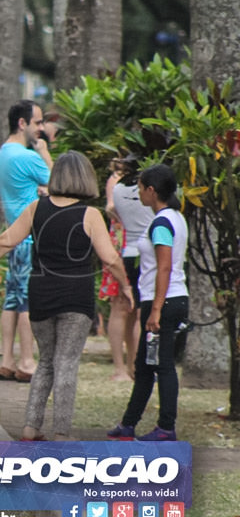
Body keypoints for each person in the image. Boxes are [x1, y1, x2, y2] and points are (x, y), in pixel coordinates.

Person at [0, 151, 133, 441]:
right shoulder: (90, 214)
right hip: (76, 299)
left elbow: (5, 240)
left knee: (46, 360)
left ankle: (30, 427)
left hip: (41, 294)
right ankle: (60, 432)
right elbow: (110, 258)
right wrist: (126, 286)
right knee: (67, 362)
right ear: (86, 178)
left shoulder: (37, 208)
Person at [108, 164, 189, 442]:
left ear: (151, 191)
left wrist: (155, 310)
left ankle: (166, 426)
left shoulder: (162, 223)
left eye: (141, 188)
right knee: (144, 364)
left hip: (164, 303)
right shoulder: (175, 217)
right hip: (167, 299)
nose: (139, 193)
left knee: (162, 364)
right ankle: (128, 423)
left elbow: (164, 268)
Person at [0, 99, 53, 383]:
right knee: (28, 302)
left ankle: (7, 360)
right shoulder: (28, 157)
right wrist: (44, 151)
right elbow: (61, 182)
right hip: (30, 237)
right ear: (22, 123)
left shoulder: (2, 155)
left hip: (14, 237)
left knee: (12, 300)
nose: (41, 128)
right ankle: (27, 362)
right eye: (38, 122)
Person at [108, 155, 152, 379]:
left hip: (126, 251)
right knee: (142, 311)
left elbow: (112, 211)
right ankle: (137, 365)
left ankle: (120, 369)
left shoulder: (118, 189)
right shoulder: (150, 190)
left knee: (121, 309)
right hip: (147, 253)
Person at [101, 160, 132, 381]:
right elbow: (110, 207)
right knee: (120, 304)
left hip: (136, 241)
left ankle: (132, 366)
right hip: (122, 241)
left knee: (135, 309)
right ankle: (120, 368)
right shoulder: (117, 179)